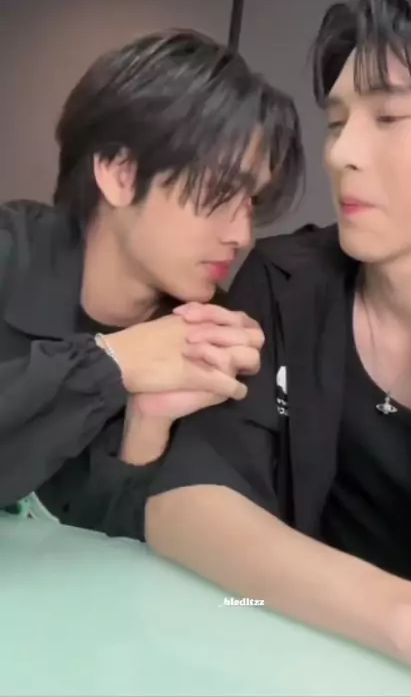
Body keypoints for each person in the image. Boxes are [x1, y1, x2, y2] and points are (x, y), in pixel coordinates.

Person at [59, 0, 411, 691]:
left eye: (388, 118)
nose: (340, 153)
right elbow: (186, 502)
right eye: (338, 123)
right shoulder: (280, 283)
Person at [0, 29, 303, 511]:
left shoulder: (205, 331)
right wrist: (111, 363)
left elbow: (105, 543)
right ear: (120, 173)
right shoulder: (11, 253)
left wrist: (146, 428)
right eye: (221, 191)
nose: (242, 234)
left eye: (251, 201)